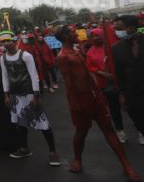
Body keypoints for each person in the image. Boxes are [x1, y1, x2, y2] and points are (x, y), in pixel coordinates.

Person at [55, 25, 140, 181]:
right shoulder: (63, 56)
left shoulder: (77, 50)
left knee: (109, 129)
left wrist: (99, 94)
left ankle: (127, 166)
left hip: (94, 97)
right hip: (80, 100)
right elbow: (68, 83)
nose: (76, 33)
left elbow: (88, 74)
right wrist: (75, 104)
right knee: (81, 131)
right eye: (72, 32)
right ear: (66, 36)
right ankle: (77, 159)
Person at [0, 30, 61, 166]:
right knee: (20, 122)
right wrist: (6, 95)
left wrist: (35, 96)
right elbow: (5, 77)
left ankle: (52, 152)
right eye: (3, 42)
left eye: (8, 41)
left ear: (14, 41)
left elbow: (34, 76)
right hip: (15, 95)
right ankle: (24, 148)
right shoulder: (2, 58)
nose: (6, 44)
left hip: (29, 94)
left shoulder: (26, 55)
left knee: (42, 123)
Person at [86, 28, 126, 142]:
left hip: (121, 81)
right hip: (105, 84)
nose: (95, 38)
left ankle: (140, 129)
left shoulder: (113, 47)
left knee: (130, 105)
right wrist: (101, 73)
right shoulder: (90, 52)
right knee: (114, 109)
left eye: (97, 35)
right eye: (93, 36)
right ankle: (120, 131)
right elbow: (90, 66)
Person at [112, 15, 144, 145]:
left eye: (119, 28)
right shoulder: (116, 48)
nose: (116, 31)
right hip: (132, 93)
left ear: (131, 28)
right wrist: (121, 94)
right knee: (139, 122)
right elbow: (119, 74)